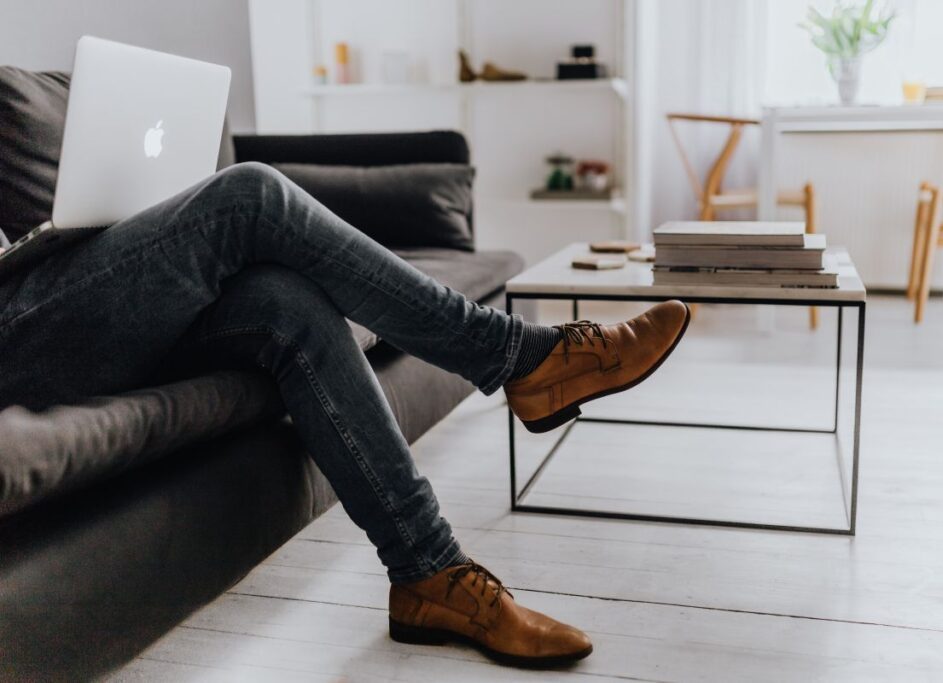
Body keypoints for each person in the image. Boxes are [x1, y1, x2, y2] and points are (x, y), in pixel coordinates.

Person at [0, 162, 689, 668]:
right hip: (17, 331)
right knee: (250, 196)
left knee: (287, 302)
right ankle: (520, 358)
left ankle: (429, 572)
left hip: (40, 278)